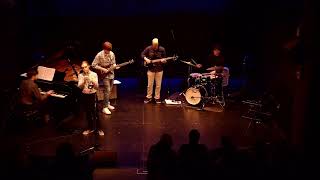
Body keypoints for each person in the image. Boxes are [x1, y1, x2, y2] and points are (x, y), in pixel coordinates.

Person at [92, 41, 119, 115]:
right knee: (107, 90)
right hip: (104, 75)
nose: (108, 52)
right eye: (107, 51)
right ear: (104, 49)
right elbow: (93, 65)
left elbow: (113, 63)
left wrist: (115, 66)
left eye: (109, 51)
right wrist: (103, 69)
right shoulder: (99, 55)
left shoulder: (112, 53)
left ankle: (107, 103)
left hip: (111, 74)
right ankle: (105, 107)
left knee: (110, 90)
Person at [78, 61, 104, 136]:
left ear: (88, 66)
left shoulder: (94, 74)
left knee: (95, 113)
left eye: (85, 67)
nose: (84, 69)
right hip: (85, 95)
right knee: (87, 113)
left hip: (92, 95)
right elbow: (79, 87)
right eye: (82, 67)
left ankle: (99, 129)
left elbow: (97, 86)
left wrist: (91, 80)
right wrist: (83, 81)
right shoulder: (80, 75)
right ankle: (90, 128)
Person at [141, 38, 167, 104]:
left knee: (158, 85)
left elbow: (165, 59)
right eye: (154, 45)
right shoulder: (148, 48)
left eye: (156, 45)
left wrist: (164, 61)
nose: (155, 47)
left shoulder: (162, 49)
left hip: (159, 69)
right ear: (152, 44)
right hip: (151, 69)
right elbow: (142, 54)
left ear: (158, 44)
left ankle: (157, 97)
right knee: (150, 85)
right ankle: (149, 97)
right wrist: (146, 59)